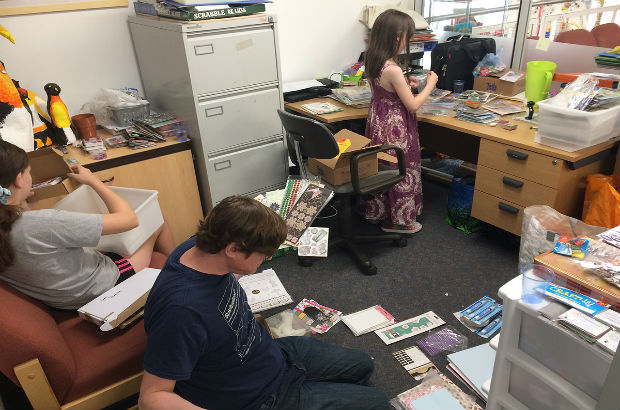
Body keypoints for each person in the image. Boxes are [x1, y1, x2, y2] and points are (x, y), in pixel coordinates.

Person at [139, 196, 390, 410]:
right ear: (233, 249)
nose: (269, 257)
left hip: (272, 354)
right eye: (263, 253)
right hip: (257, 398)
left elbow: (224, 278)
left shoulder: (203, 245)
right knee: (378, 402)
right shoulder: (182, 313)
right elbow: (151, 398)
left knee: (363, 366)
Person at [0, 140, 174, 309]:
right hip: (102, 288)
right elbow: (129, 219)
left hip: (61, 298)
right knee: (157, 220)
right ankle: (177, 274)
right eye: (29, 172)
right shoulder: (41, 222)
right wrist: (93, 180)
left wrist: (20, 200)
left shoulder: (10, 223)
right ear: (19, 179)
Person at [360, 9, 439, 234]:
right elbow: (412, 105)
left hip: (378, 121)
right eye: (407, 37)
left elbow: (385, 88)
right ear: (396, 37)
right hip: (395, 127)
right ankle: (398, 220)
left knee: (383, 165)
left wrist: (405, 84)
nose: (408, 42)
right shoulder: (393, 69)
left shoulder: (373, 59)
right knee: (399, 169)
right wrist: (430, 85)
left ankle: (378, 211)